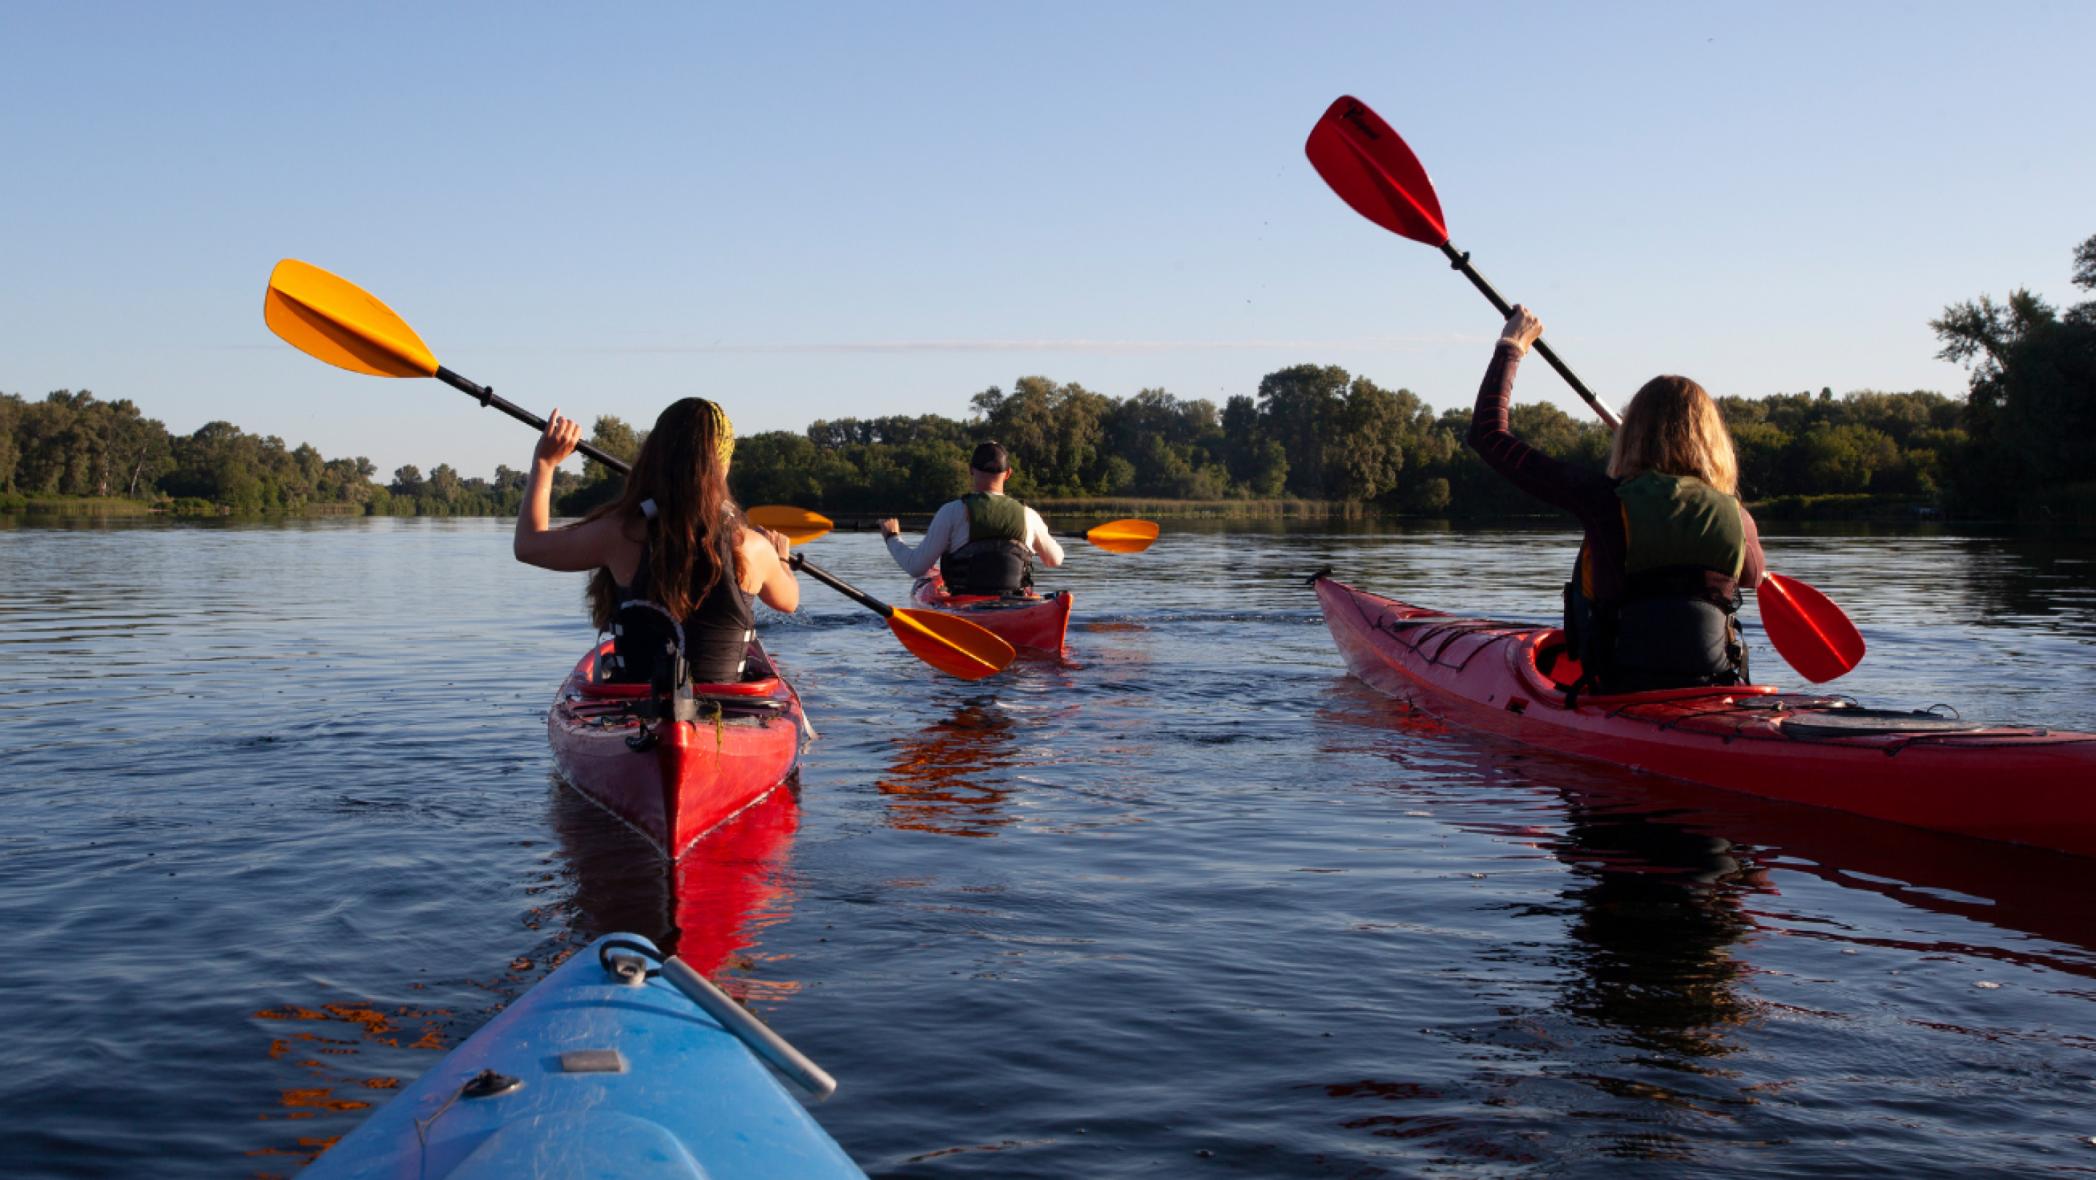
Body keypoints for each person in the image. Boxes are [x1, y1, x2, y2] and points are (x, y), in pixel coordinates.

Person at [1470, 306, 1765, 694]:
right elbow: (1753, 578)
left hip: (1621, 689)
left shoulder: (1602, 500)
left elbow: (1489, 435)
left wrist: (1511, 346)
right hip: (1716, 687)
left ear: (1631, 435)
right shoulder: (1737, 517)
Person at [513, 397, 798, 686]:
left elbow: (528, 545)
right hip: (728, 712)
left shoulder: (619, 534)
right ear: (723, 464)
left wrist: (545, 463)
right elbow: (789, 602)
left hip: (634, 712)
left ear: (654, 456)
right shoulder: (751, 547)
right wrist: (780, 559)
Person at [877, 441, 1065, 596]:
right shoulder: (1028, 515)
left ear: (971, 470)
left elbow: (916, 567)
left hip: (964, 608)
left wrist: (892, 537)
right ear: (1008, 474)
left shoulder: (952, 512)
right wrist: (1039, 535)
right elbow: (1055, 560)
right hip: (1014, 605)